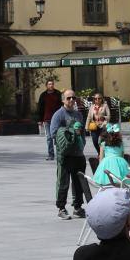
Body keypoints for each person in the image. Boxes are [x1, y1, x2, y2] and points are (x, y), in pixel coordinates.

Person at [50, 89, 86, 220]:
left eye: (73, 97)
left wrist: (82, 143)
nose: (71, 100)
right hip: (65, 155)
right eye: (68, 98)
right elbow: (53, 132)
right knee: (63, 182)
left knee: (78, 183)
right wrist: (71, 131)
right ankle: (61, 208)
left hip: (78, 154)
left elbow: (82, 132)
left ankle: (78, 207)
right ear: (63, 100)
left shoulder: (78, 115)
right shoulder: (58, 115)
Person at [37, 80, 62, 160]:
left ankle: (59, 154)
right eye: (49, 84)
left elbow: (61, 105)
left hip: (57, 118)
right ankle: (51, 154)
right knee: (49, 137)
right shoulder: (43, 95)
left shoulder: (58, 94)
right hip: (47, 118)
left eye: (52, 84)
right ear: (46, 85)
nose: (51, 85)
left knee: (58, 136)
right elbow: (40, 108)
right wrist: (40, 120)